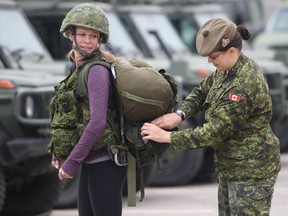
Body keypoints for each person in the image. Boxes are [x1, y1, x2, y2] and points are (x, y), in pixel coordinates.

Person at [141, 18, 281, 216]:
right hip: (231, 167)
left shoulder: (243, 84)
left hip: (251, 171)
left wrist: (167, 137)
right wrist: (180, 115)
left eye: (214, 56)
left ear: (232, 51)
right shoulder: (227, 70)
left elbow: (215, 132)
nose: (210, 61)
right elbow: (202, 91)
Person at [49, 3, 126, 216]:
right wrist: (60, 152)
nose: (87, 41)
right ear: (70, 35)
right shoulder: (76, 68)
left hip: (106, 161)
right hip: (91, 160)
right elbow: (71, 117)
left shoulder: (96, 71)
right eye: (82, 34)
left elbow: (98, 122)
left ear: (100, 39)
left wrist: (72, 162)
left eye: (94, 36)